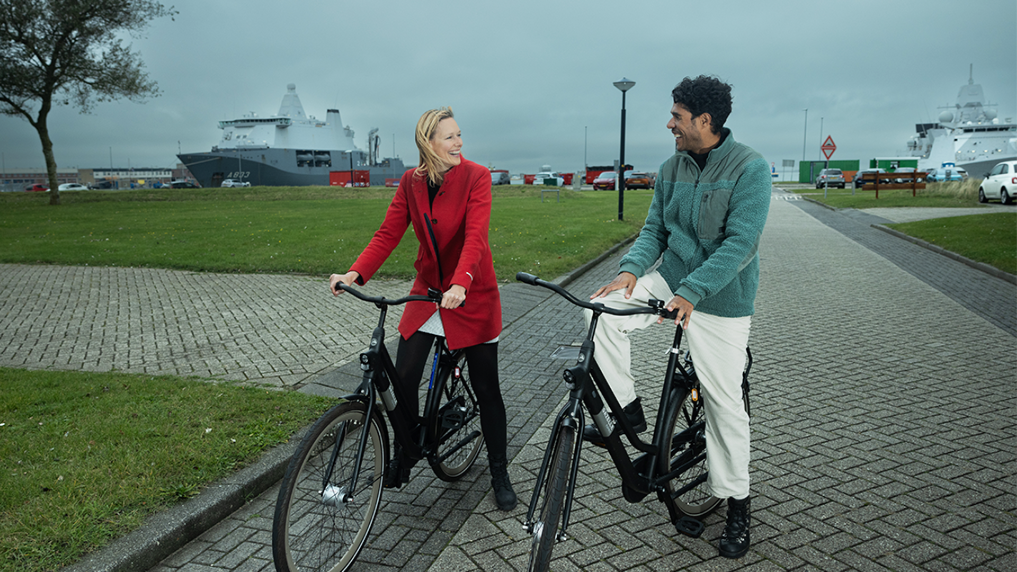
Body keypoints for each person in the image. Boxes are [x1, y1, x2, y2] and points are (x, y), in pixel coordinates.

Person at [583, 75, 770, 558]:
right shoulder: (671, 167)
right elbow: (654, 231)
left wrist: (693, 291)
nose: (670, 124)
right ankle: (627, 410)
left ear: (704, 120)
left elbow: (741, 244)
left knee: (724, 403)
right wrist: (630, 270)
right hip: (672, 279)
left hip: (721, 298)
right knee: (601, 313)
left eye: (677, 117)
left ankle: (737, 502)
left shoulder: (750, 167)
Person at [329, 107, 516, 511]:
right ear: (428, 143)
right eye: (450, 137)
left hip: (471, 293)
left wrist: (461, 283)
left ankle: (499, 471)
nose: (459, 143)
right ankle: (407, 450)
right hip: (429, 291)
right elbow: (388, 232)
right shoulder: (411, 183)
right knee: (404, 378)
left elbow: (476, 237)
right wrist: (354, 273)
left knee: (487, 388)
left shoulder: (477, 176)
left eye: (459, 135)